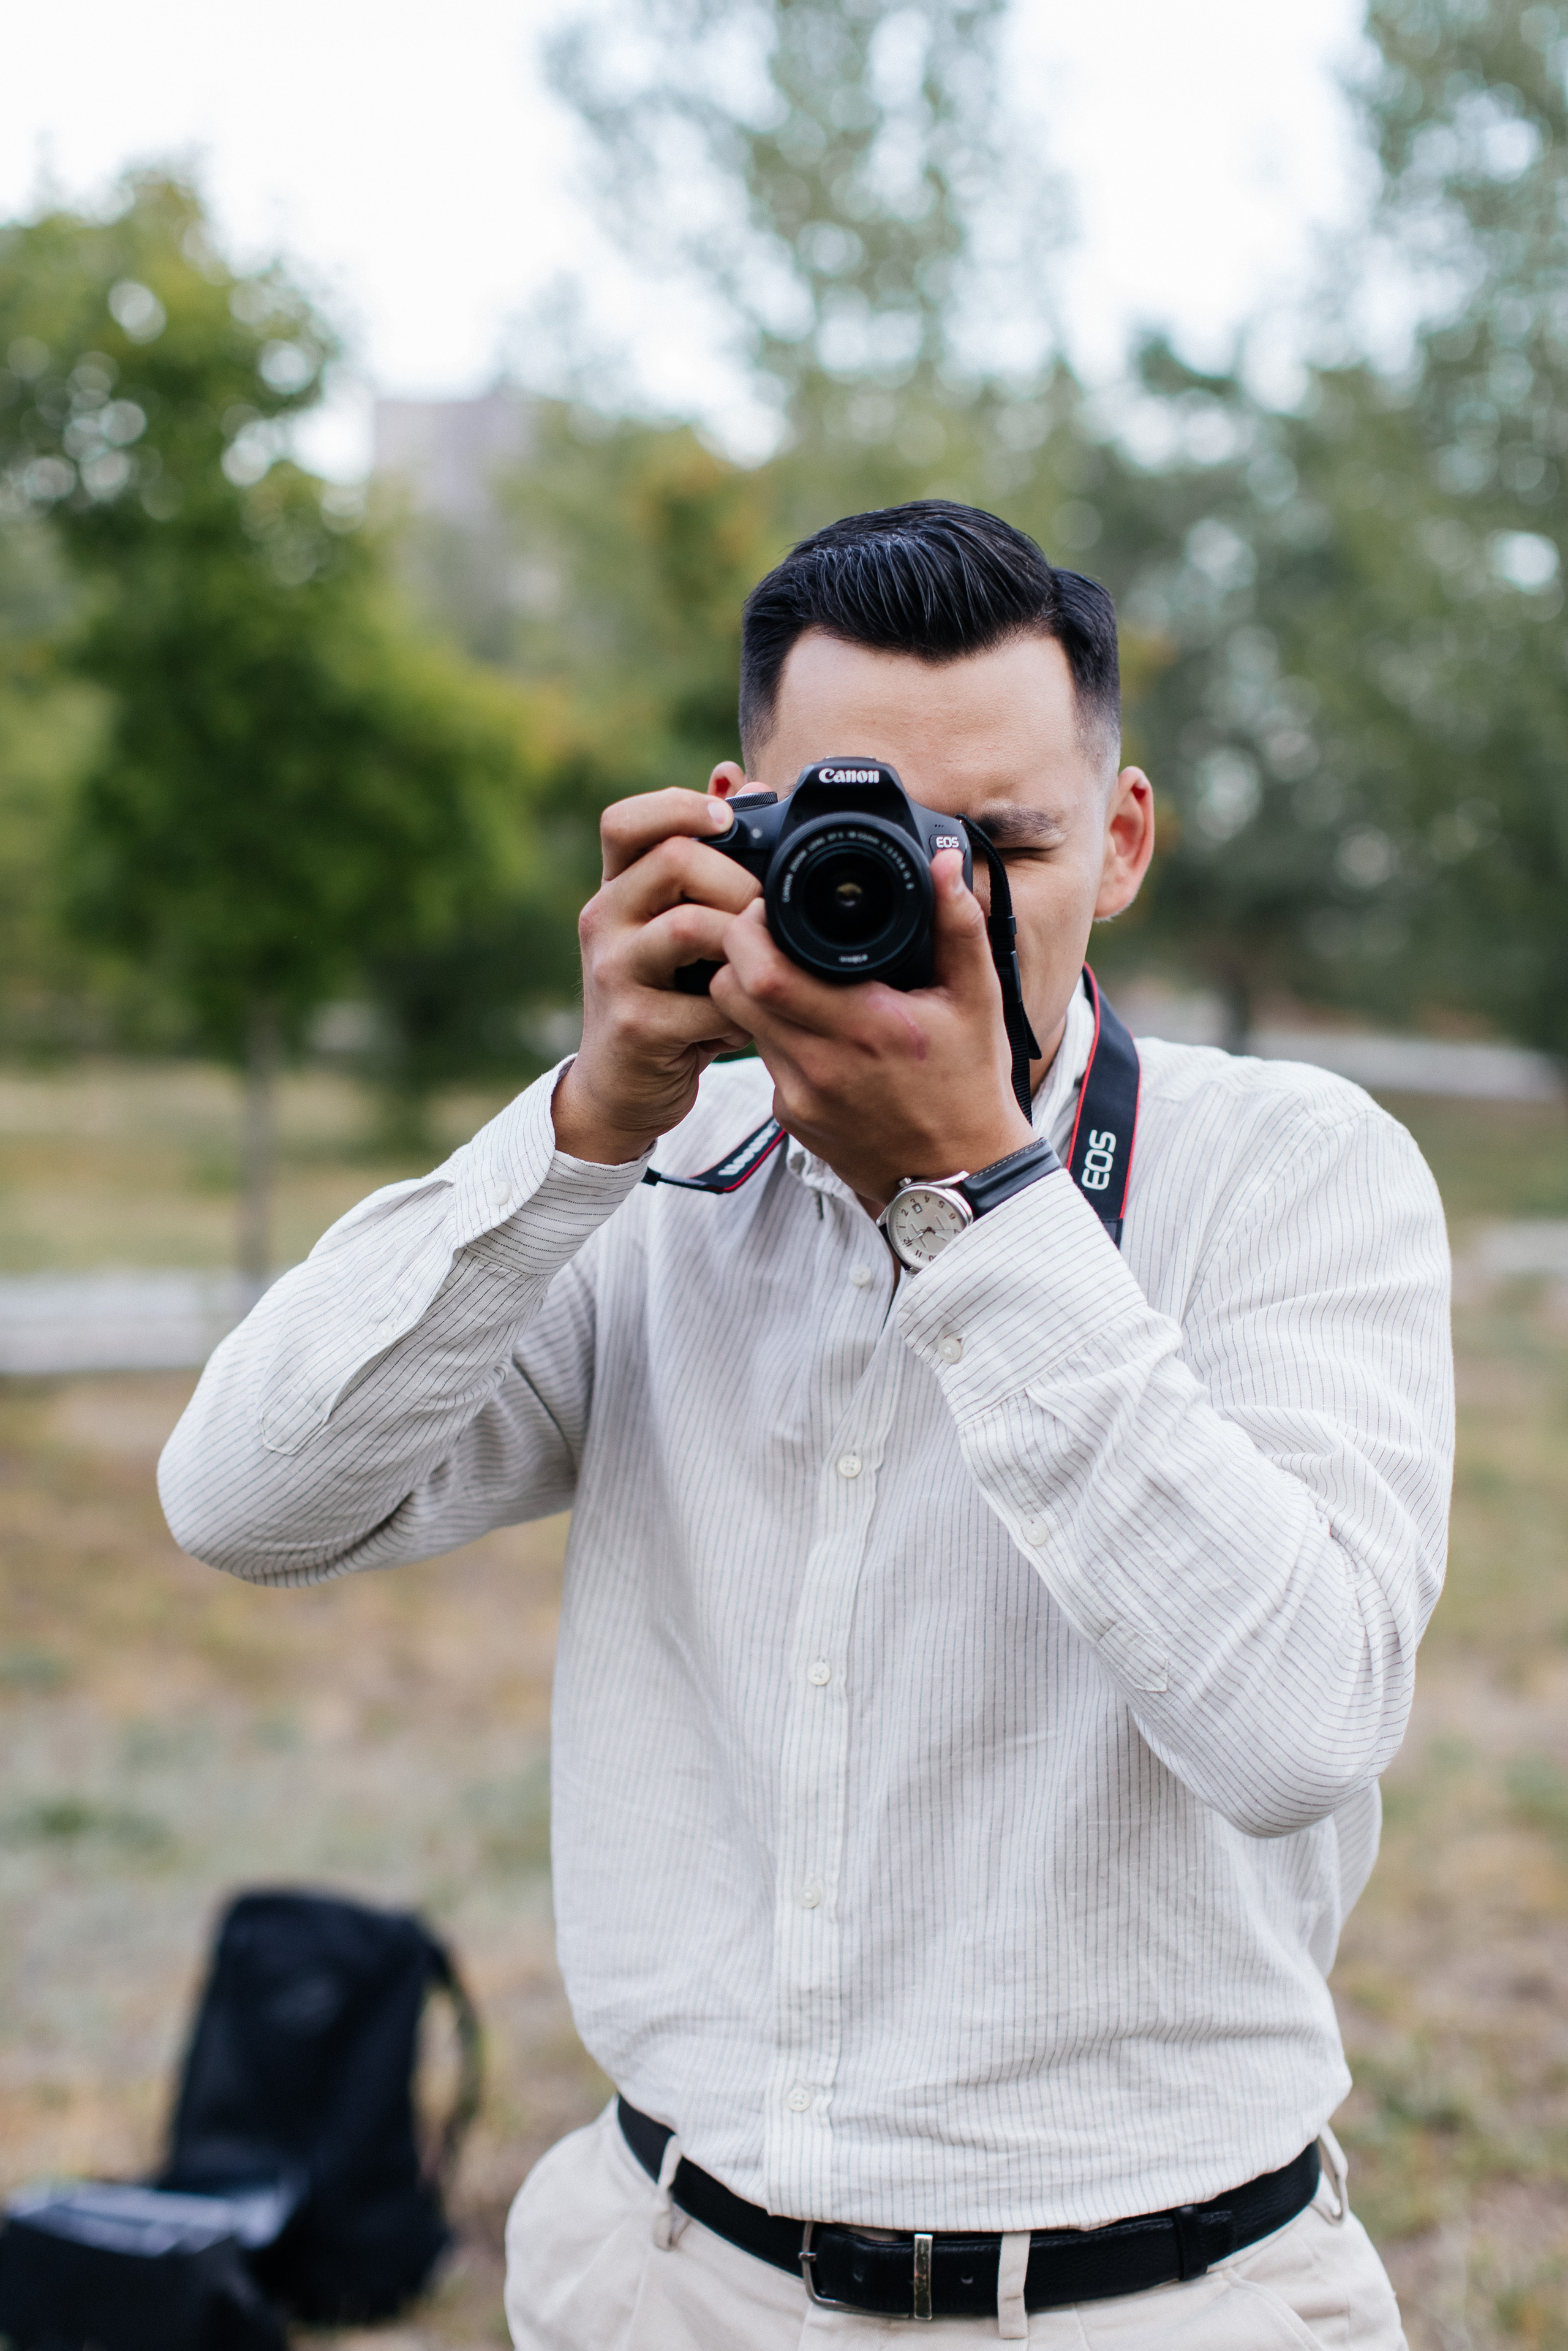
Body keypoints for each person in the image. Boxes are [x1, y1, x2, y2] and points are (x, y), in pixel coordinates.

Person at [160, 502, 1452, 2348]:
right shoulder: (647, 1172)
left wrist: (983, 1203)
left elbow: (1301, 1725)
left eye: (1005, 845)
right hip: (672, 2277)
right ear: (730, 825)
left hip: (1158, 2295)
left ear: (1123, 841)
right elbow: (244, 1502)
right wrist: (582, 1120)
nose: (939, 906)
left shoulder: (1294, 1171)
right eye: (872, 844)